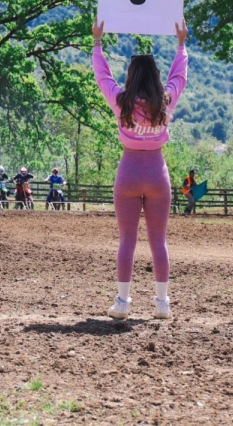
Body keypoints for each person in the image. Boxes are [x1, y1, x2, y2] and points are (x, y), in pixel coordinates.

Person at [93, 18, 189, 320]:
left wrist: (97, 43)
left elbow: (102, 77)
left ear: (132, 76)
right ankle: (162, 304)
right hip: (157, 174)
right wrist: (181, 45)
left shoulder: (122, 102)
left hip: (129, 172)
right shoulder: (165, 102)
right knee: (159, 242)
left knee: (127, 241)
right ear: (155, 77)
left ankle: (122, 302)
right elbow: (180, 76)